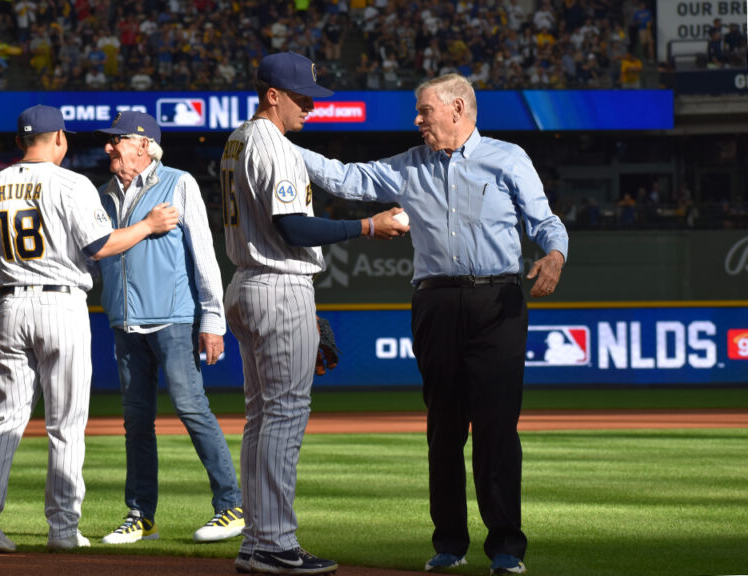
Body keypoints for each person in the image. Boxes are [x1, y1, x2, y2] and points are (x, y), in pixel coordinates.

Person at [295, 72, 569, 575]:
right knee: (444, 429)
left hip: (498, 302)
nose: (417, 120)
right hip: (436, 303)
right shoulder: (408, 166)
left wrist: (555, 254)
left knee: (496, 429)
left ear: (457, 108)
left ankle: (506, 548)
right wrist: (279, 146)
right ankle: (449, 544)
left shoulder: (508, 158)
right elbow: (344, 177)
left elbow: (545, 222)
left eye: (425, 111)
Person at [0, 104, 179, 554]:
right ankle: (62, 528)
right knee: (66, 424)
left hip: (11, 305)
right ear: (58, 138)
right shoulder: (72, 183)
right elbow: (101, 246)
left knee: (5, 418)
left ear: (21, 141)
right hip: (61, 304)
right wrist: (148, 225)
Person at [221, 52, 409, 575]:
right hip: (278, 284)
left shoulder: (238, 138)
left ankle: (257, 541)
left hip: (249, 282)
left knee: (261, 418)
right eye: (301, 97)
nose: (310, 106)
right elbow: (294, 228)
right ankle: (275, 543)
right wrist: (367, 227)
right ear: (272, 95)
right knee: (283, 416)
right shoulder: (276, 147)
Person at [92, 111, 244, 545]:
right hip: (125, 322)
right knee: (136, 421)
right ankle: (141, 516)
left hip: (173, 319)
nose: (108, 146)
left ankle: (232, 506)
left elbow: (204, 253)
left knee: (191, 408)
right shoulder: (103, 194)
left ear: (143, 145)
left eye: (117, 139)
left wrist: (212, 319)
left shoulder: (178, 182)